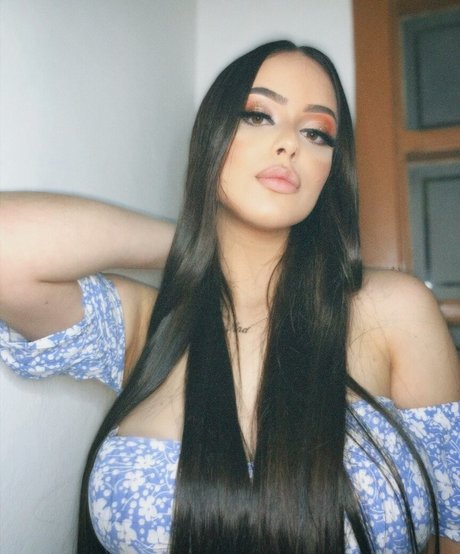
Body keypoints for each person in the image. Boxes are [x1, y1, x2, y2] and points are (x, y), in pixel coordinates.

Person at [0, 40, 459, 554]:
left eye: (315, 132)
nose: (289, 145)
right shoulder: (148, 321)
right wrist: (193, 244)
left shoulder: (394, 310)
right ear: (213, 137)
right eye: (258, 115)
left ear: (331, 170)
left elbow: (454, 529)